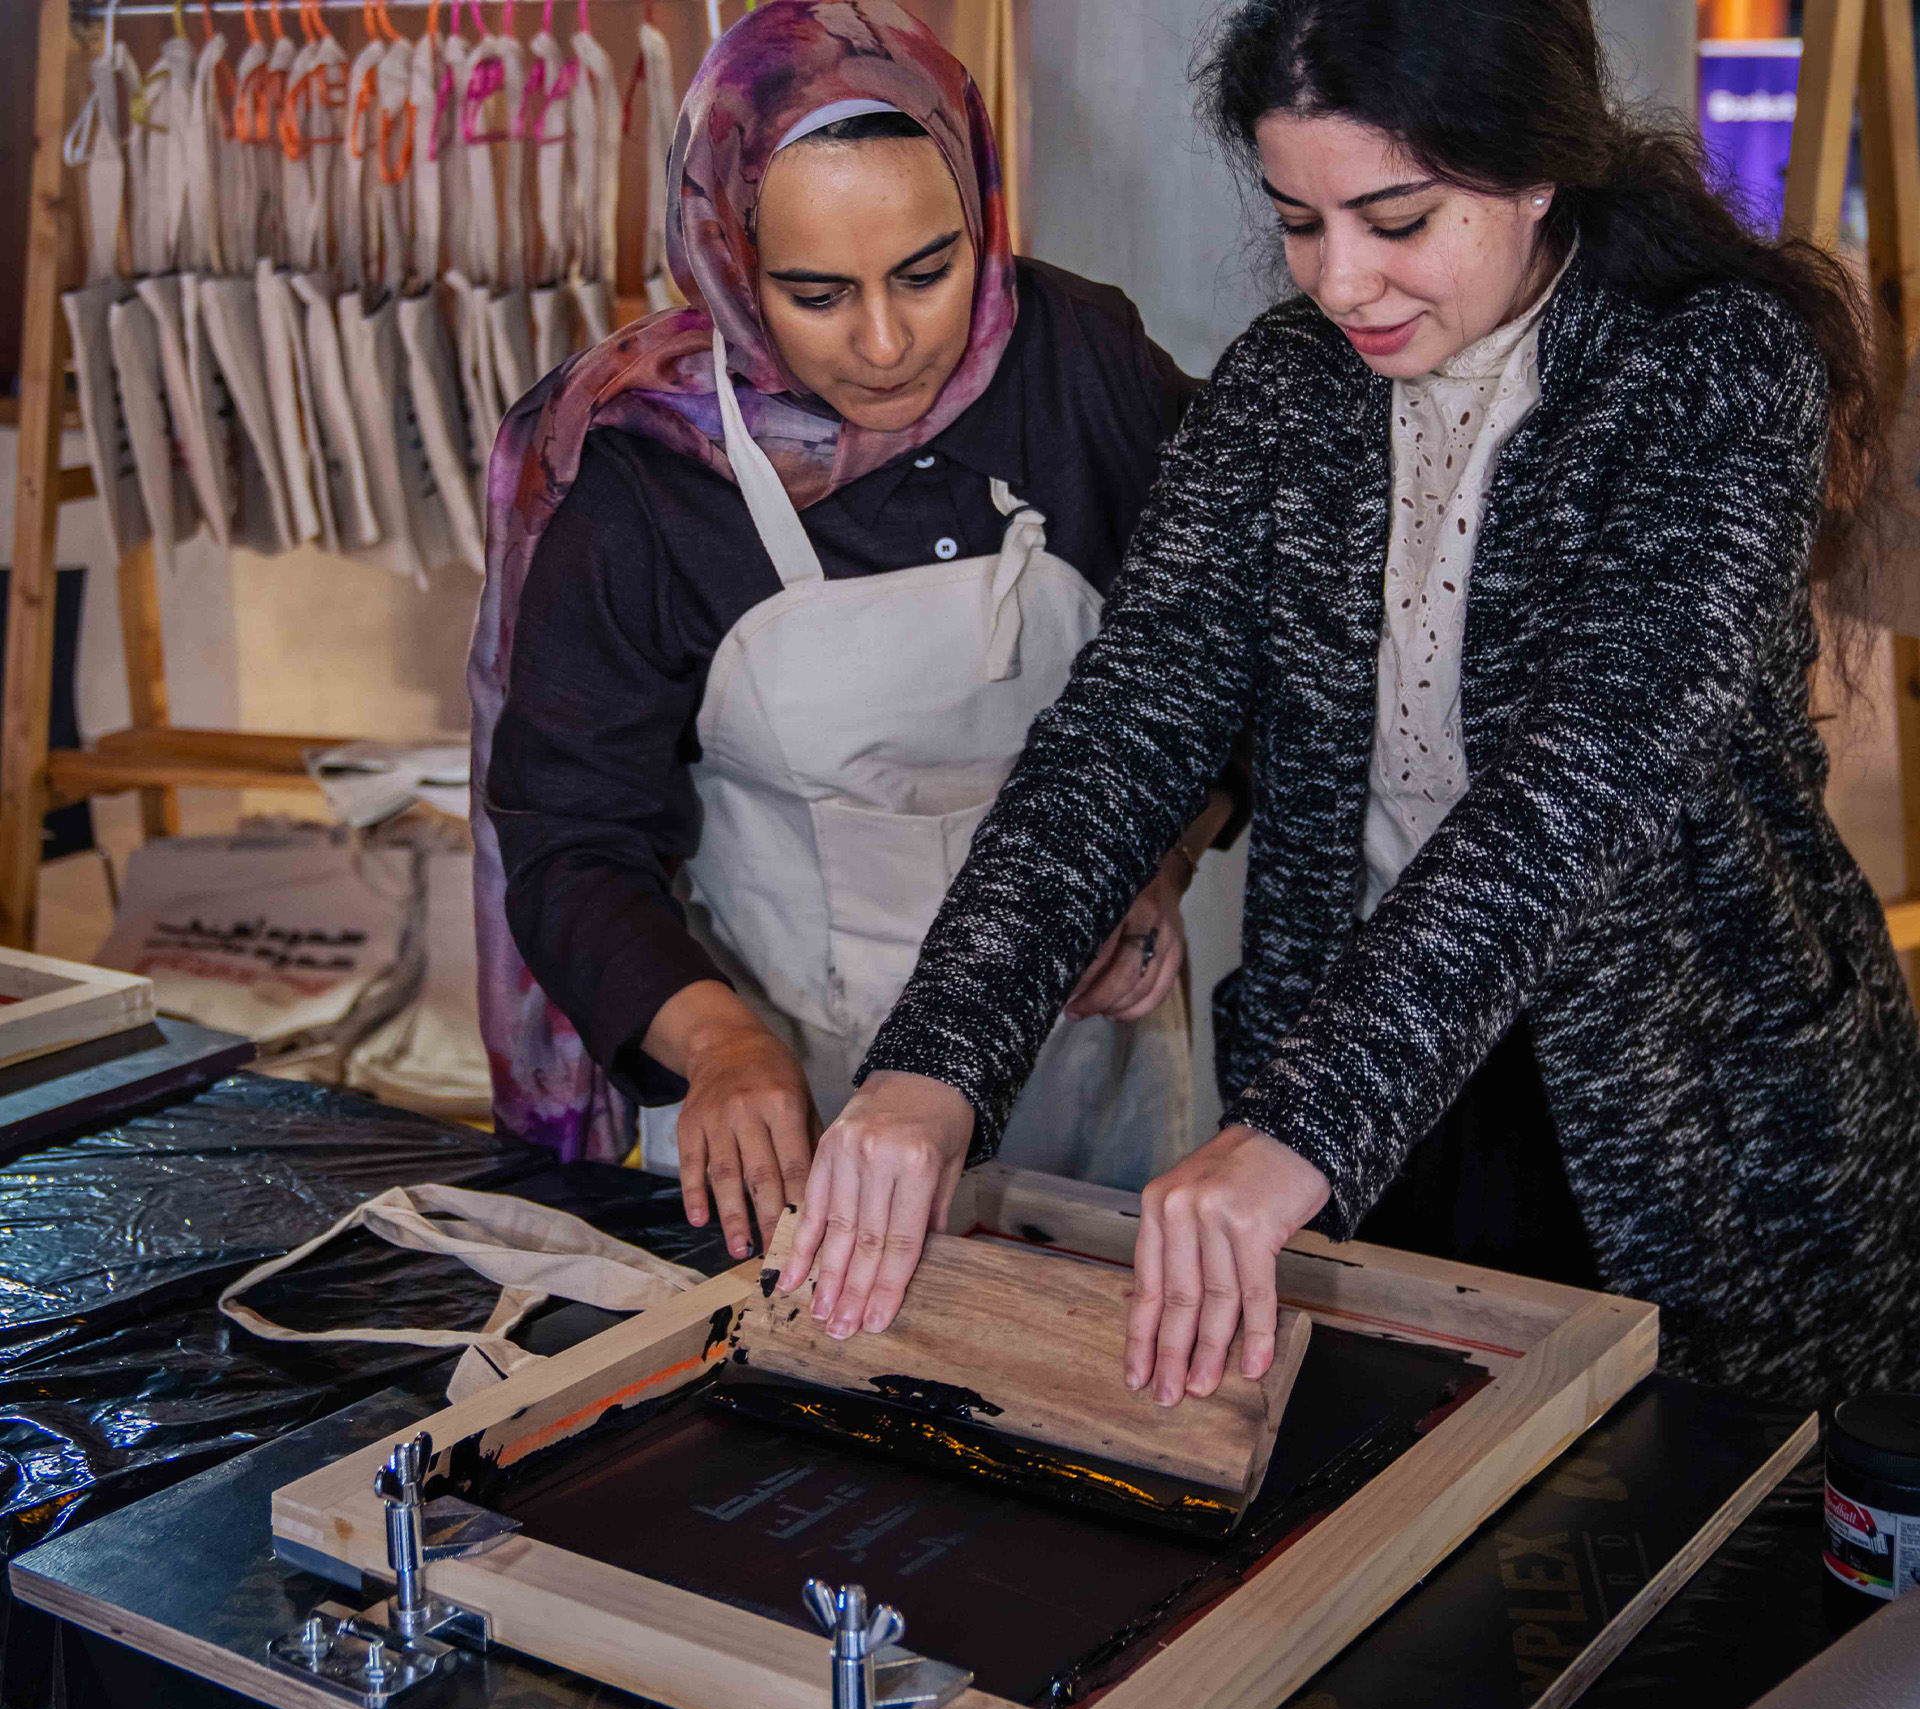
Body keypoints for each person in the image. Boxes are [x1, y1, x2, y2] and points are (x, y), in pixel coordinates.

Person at [782, 0, 1920, 1411]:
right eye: (1301, 222)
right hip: (1370, 1085)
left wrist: (1292, 1128)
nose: (1341, 282)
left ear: (1537, 165)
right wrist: (934, 1067)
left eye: (1398, 218)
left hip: (1683, 1092)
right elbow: (1123, 728)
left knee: (1694, 1547)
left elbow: (1577, 790)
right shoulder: (1287, 393)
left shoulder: (1713, 367)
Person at [472, 0, 1239, 1263]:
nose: (887, 346)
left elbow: (1228, 665)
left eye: (928, 274)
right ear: (727, 257)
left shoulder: (1083, 365)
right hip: (788, 1102)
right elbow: (568, 838)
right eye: (817, 293)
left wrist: (1164, 864)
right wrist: (715, 1043)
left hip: (1088, 1067)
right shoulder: (643, 473)